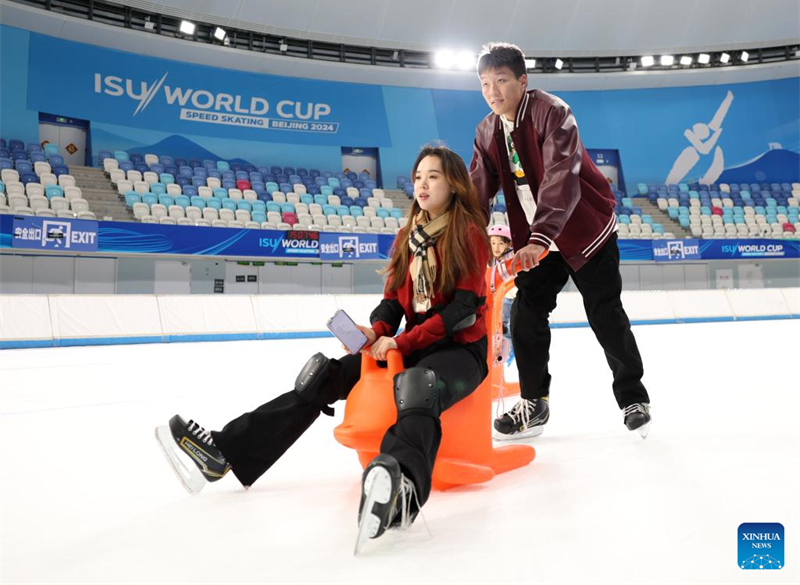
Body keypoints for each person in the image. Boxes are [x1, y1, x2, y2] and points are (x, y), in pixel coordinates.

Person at [155, 145, 491, 548]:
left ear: (453, 184)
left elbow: (463, 311)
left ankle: (401, 486)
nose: (422, 183)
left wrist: (400, 341)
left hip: (460, 350)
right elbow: (392, 301)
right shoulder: (408, 236)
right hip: (412, 343)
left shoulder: (468, 233)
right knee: (322, 376)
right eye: (418, 176)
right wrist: (375, 332)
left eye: (433, 176)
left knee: (418, 386)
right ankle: (224, 453)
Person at [468, 42, 651, 439]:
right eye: (485, 83)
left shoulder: (553, 112)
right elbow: (477, 191)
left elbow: (561, 175)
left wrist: (539, 237)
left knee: (605, 313)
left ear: (523, 80)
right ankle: (534, 403)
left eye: (501, 80)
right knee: (526, 313)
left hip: (585, 231)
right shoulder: (486, 131)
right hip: (538, 238)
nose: (493, 91)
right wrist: (466, 241)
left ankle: (633, 398)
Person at [487, 224, 515, 363]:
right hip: (502, 297)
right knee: (502, 327)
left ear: (508, 244)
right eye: (493, 243)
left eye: (500, 243)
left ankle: (510, 353)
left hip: (514, 296)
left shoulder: (512, 257)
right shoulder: (492, 259)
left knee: (512, 325)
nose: (496, 247)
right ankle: (504, 353)